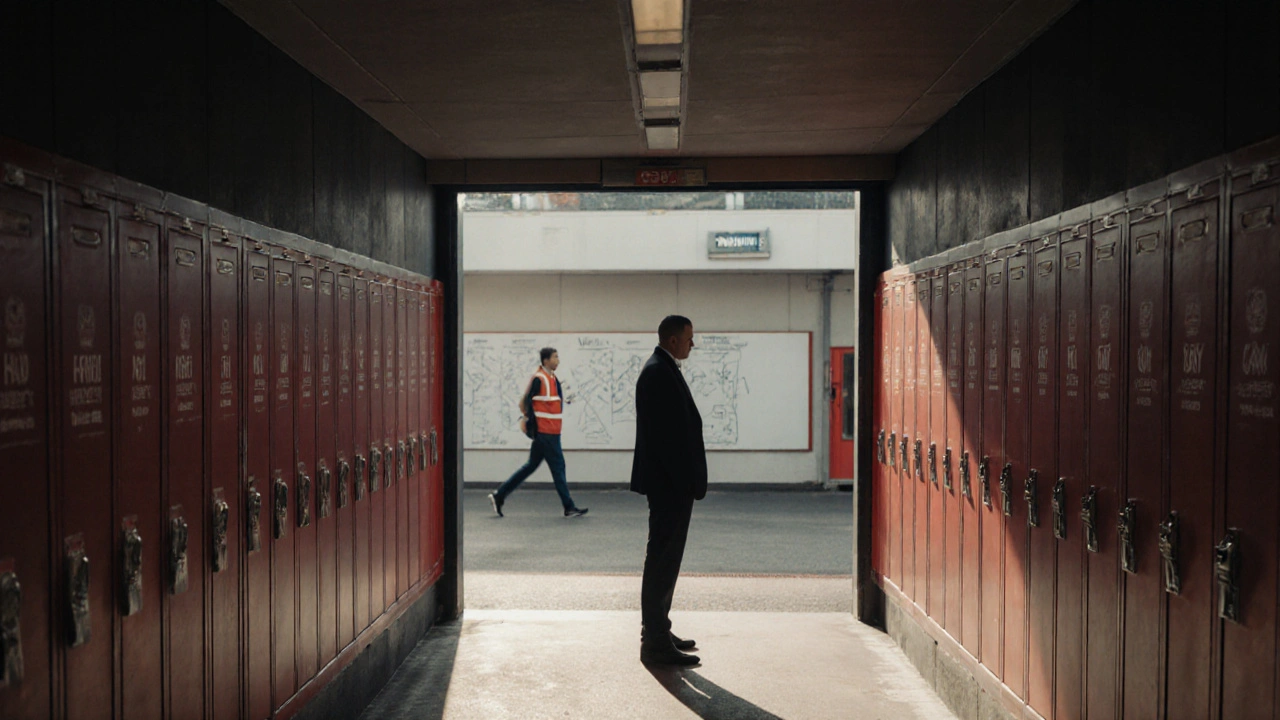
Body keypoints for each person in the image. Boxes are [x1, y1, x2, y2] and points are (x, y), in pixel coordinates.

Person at [631, 315, 707, 667]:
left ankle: (660, 629)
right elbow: (666, 439)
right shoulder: (657, 372)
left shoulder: (663, 368)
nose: (693, 344)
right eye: (689, 338)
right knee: (661, 561)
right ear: (673, 340)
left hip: (672, 485)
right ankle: (655, 642)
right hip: (669, 487)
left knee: (666, 560)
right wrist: (684, 482)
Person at [488, 347, 588, 518]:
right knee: (558, 468)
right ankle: (568, 506)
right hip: (546, 433)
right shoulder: (539, 379)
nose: (558, 360)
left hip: (551, 432)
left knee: (530, 467)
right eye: (555, 357)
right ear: (546, 360)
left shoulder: (552, 378)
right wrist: (529, 423)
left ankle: (500, 495)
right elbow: (525, 402)